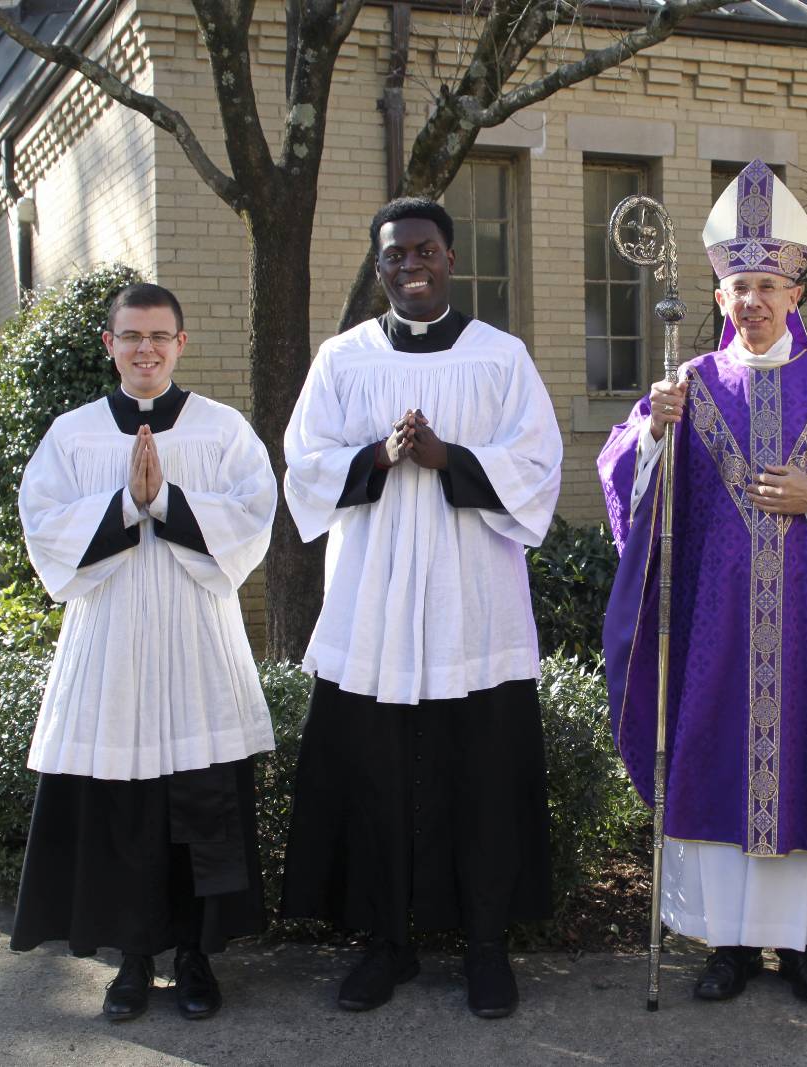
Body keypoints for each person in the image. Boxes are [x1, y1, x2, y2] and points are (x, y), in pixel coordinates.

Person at [598, 160, 807, 1004]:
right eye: (740, 285)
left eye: (768, 284)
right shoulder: (690, 385)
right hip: (714, 629)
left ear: (795, 293)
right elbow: (628, 486)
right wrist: (653, 435)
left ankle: (806, 945)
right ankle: (727, 945)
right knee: (714, 767)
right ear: (720, 294)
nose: (753, 300)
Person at [280, 197, 563, 1019]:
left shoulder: (500, 357)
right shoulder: (342, 359)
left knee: (482, 780)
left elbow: (538, 466)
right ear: (380, 270)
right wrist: (379, 453)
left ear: (451, 258)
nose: (412, 265)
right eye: (396, 255)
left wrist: (448, 458)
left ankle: (485, 947)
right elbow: (303, 464)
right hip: (373, 607)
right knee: (375, 782)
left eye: (427, 250)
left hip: (474, 606)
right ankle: (384, 944)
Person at [11, 282, 278, 1022]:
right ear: (110, 345)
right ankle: (131, 960)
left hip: (196, 644)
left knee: (202, 806)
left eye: (160, 336)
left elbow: (254, 522)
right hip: (114, 647)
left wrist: (167, 502)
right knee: (123, 808)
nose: (146, 350)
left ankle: (195, 958)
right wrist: (128, 504)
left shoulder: (223, 431)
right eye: (131, 336)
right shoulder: (73, 435)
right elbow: (44, 529)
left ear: (181, 343)